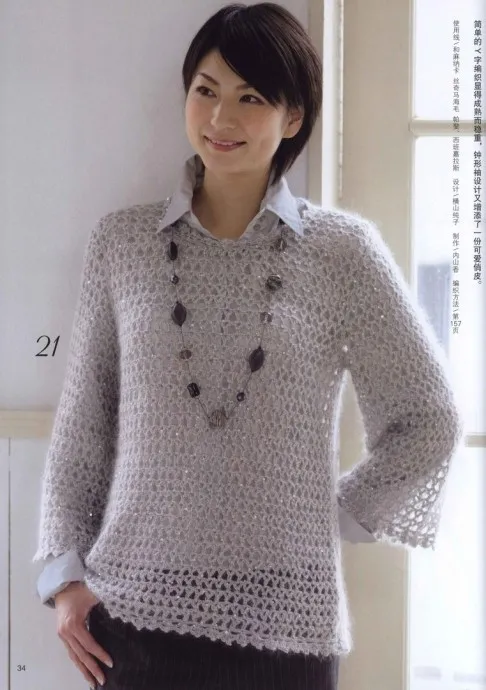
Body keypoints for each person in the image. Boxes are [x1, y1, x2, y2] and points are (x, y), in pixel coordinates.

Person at [32, 3, 464, 689]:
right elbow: (85, 425)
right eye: (205, 90)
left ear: (292, 118)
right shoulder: (122, 243)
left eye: (250, 98)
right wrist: (63, 579)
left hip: (286, 626)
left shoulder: (343, 253)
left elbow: (429, 419)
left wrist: (329, 514)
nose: (220, 117)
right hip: (134, 617)